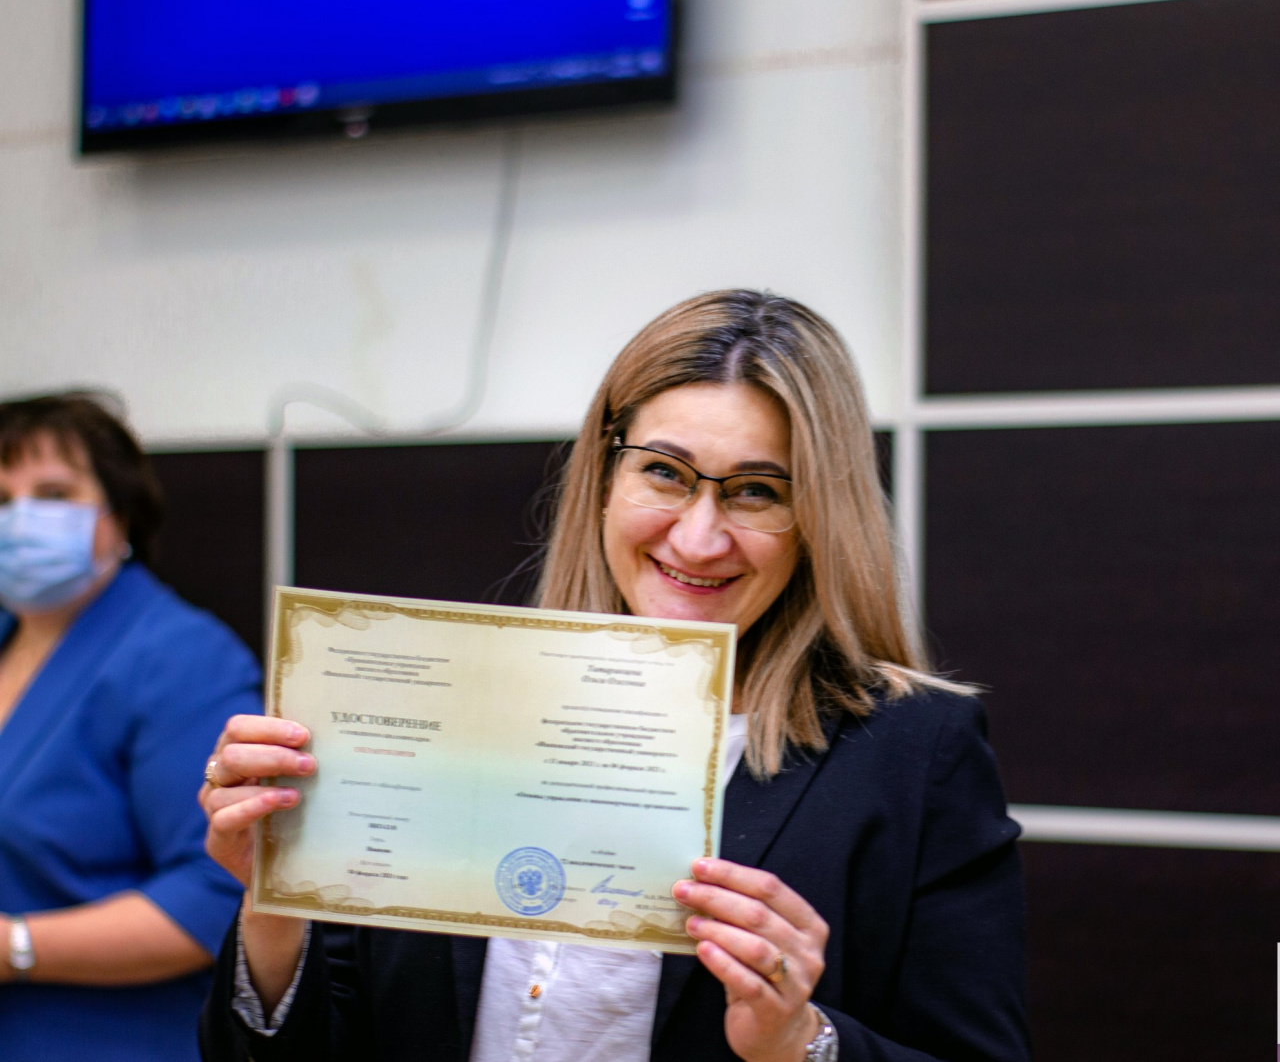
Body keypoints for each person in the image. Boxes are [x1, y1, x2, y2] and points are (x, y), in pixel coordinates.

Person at [199, 290, 1029, 1062]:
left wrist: (800, 1040)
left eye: (756, 491)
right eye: (664, 471)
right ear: (604, 474)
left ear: (817, 518)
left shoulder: (913, 753)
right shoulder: (448, 702)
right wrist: (274, 902)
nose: (698, 538)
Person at [0, 393, 262, 1062]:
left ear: (118, 515)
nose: (20, 519)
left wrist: (17, 947)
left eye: (53, 494)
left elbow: (219, 888)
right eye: (1, 500)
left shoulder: (182, 657)